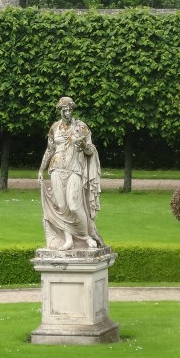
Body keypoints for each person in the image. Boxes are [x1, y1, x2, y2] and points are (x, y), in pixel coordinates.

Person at [37, 96, 104, 250]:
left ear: (72, 110)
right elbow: (49, 150)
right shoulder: (55, 128)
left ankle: (86, 235)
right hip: (56, 168)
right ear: (60, 111)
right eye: (63, 110)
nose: (66, 113)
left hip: (74, 169)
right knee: (62, 206)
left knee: (74, 205)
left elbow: (90, 150)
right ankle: (68, 240)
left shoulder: (81, 127)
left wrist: (83, 146)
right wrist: (41, 169)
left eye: (69, 110)